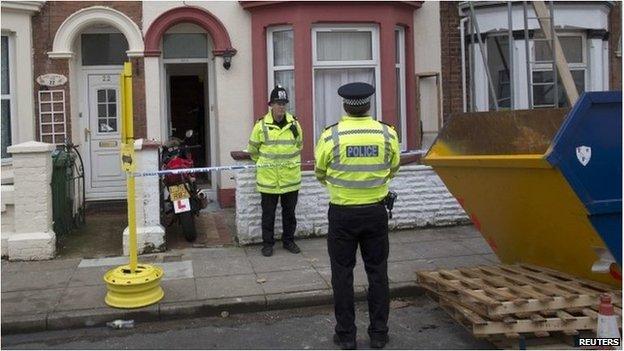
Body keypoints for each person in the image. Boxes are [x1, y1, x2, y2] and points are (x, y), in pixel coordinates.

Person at [314, 82, 400, 349]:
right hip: (375, 213)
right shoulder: (387, 134)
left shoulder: (331, 136)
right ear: (369, 105)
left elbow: (320, 172)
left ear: (345, 106)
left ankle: (347, 335)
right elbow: (392, 168)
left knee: (342, 275)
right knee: (378, 274)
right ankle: (378, 334)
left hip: (342, 215)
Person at [247, 86, 303, 257]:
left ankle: (289, 241)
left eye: (284, 103)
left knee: (289, 214)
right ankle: (268, 244)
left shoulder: (294, 124)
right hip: (269, 180)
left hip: (289, 179)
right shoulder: (261, 125)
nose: (281, 107)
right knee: (268, 215)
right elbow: (253, 150)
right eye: (278, 103)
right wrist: (264, 165)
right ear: (271, 105)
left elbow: (299, 146)